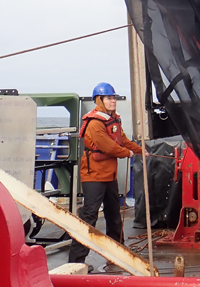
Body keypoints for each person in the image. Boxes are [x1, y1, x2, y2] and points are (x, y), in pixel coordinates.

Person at [68, 82, 144, 264]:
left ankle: (117, 252)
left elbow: (122, 140)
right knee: (89, 216)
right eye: (109, 98)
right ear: (99, 100)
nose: (113, 101)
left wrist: (141, 150)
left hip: (110, 175)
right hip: (93, 176)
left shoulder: (113, 120)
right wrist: (127, 153)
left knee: (114, 214)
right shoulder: (95, 123)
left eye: (114, 97)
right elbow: (108, 146)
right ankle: (76, 261)